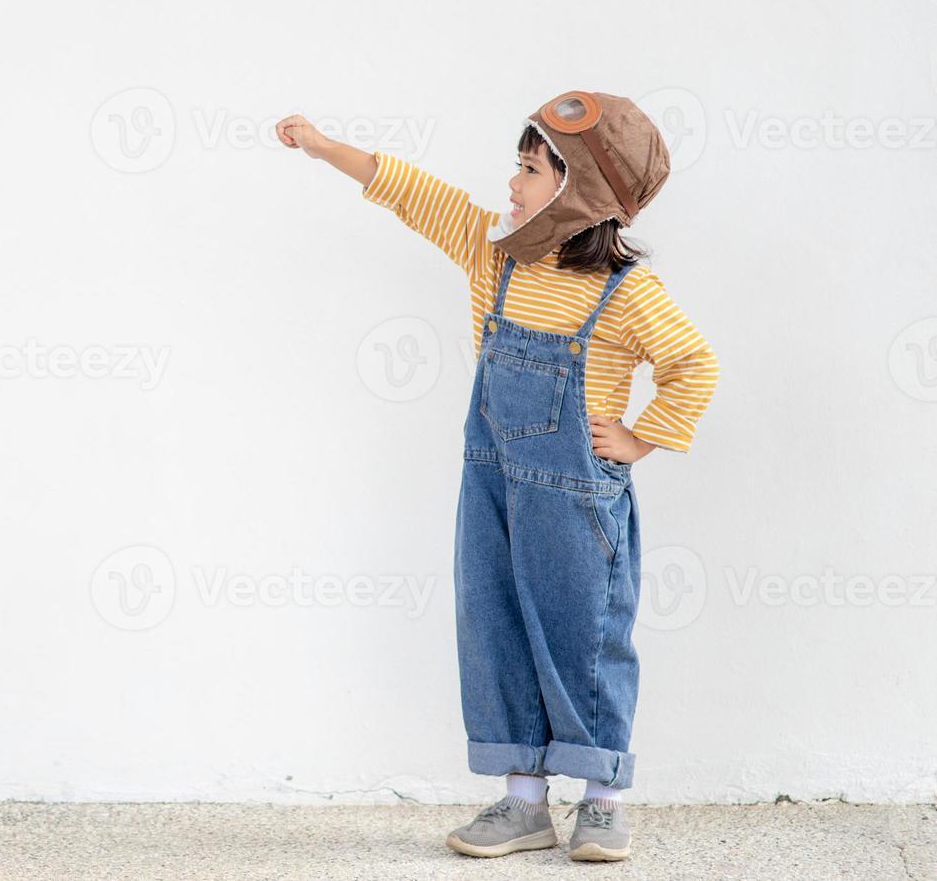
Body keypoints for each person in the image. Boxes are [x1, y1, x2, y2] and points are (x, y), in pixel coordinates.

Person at [275, 92, 719, 862]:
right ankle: (523, 800)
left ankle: (603, 797)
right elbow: (412, 192)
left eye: (528, 167)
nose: (511, 184)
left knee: (583, 635)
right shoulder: (495, 255)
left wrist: (642, 438)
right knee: (493, 622)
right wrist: (323, 148)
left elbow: (693, 364)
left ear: (578, 188)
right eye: (516, 165)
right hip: (493, 483)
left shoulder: (625, 290)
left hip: (578, 496)